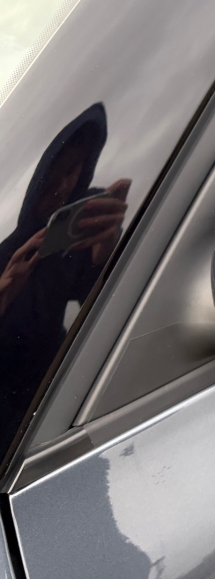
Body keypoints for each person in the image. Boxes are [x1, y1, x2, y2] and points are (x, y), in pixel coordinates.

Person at [0, 103, 129, 446]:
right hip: (14, 433)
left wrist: (104, 259)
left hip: (76, 397)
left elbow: (109, 319)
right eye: (56, 173)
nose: (65, 184)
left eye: (75, 169)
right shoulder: (6, 254)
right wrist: (5, 290)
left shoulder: (82, 223)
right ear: (38, 176)